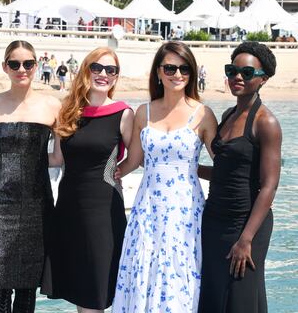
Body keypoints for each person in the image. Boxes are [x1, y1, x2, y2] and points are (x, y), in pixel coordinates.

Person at [111, 41, 217, 313]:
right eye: (170, 67)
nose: (177, 74)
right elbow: (133, 160)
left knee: (181, 275)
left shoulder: (203, 114)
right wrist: (105, 171)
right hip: (147, 210)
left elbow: (224, 165)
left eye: (184, 68)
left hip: (186, 212)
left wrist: (253, 187)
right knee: (143, 272)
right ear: (158, 72)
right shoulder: (142, 112)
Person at [41, 47, 134, 313]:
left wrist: (121, 171)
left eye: (111, 70)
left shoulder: (123, 113)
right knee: (82, 291)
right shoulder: (68, 110)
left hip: (103, 212)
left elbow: (138, 155)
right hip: (69, 209)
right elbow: (57, 158)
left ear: (116, 77)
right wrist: (19, 155)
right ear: (86, 70)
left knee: (96, 292)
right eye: (97, 68)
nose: (103, 74)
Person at [198, 42, 282, 313]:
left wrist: (245, 239)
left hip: (247, 225)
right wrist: (186, 170)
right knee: (212, 295)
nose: (237, 77)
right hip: (214, 221)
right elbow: (225, 173)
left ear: (263, 79)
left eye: (246, 72)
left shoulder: (265, 122)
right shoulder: (227, 115)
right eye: (232, 70)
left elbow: (269, 186)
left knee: (241, 299)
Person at [0, 40, 60, 312]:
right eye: (14, 64)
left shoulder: (52, 106)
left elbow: (60, 157)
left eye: (28, 63)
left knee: (27, 289)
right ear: (5, 67)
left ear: (37, 66)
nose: (21, 69)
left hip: (36, 206)